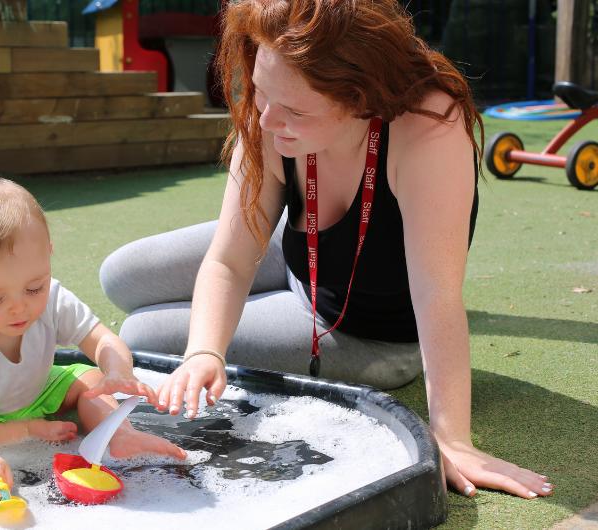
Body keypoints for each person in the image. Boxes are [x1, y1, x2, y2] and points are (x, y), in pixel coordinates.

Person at [100, 0, 553, 500]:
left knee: (144, 332)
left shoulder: (428, 130)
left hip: (365, 332)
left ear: (361, 99)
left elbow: (437, 298)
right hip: (299, 251)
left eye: (294, 110)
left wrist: (453, 438)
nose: (267, 119)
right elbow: (229, 258)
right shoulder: (274, 102)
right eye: (260, 90)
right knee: (121, 275)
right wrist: (205, 351)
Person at [0, 178, 185, 499]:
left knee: (91, 379)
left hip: (35, 389)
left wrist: (117, 370)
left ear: (48, 256)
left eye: (34, 288)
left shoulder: (54, 299)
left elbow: (101, 340)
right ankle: (22, 429)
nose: (20, 307)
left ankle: (121, 435)